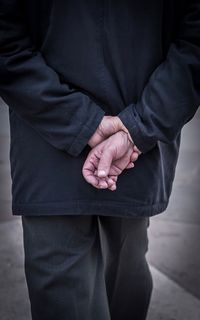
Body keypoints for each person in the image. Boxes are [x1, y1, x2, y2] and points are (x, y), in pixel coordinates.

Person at [0, 1, 199, 319]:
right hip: (115, 145)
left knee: (112, 281)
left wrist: (104, 125)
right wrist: (136, 126)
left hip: (57, 141)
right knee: (119, 276)